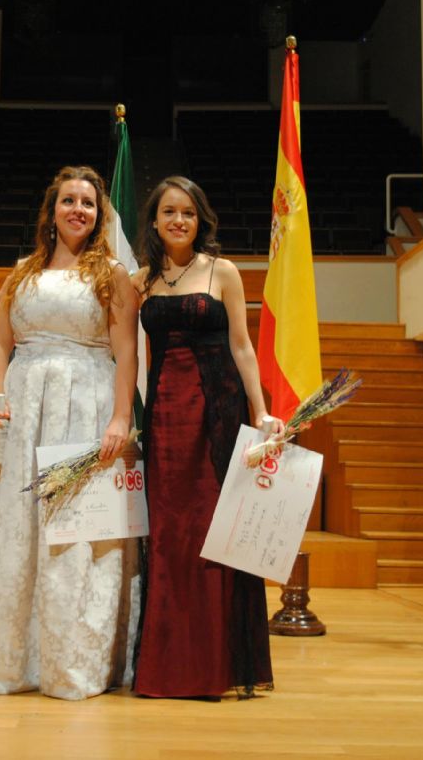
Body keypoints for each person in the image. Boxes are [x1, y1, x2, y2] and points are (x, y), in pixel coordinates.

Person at [0, 165, 141, 701]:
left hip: (85, 407)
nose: (78, 210)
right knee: (20, 532)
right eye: (69, 200)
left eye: (88, 203)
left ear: (99, 215)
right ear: (52, 211)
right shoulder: (22, 271)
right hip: (26, 411)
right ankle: (14, 665)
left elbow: (126, 352)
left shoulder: (112, 274)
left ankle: (72, 665)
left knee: (74, 534)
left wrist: (120, 418)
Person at [131, 175, 282, 698]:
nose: (179, 220)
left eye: (188, 213)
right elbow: (131, 356)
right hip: (164, 421)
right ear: (154, 221)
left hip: (218, 412)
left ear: (201, 221)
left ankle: (217, 666)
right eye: (169, 212)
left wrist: (261, 411)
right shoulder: (140, 280)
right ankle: (167, 667)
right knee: (169, 534)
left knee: (216, 531)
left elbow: (242, 347)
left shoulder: (224, 271)